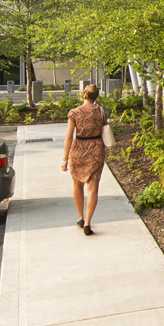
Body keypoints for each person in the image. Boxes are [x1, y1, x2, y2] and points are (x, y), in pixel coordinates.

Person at [62, 83, 109, 234]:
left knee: (77, 184)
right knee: (93, 187)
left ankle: (81, 217)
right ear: (96, 97)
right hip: (96, 149)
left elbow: (69, 136)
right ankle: (88, 222)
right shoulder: (100, 111)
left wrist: (65, 158)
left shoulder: (74, 113)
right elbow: (104, 128)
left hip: (78, 149)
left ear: (83, 95)